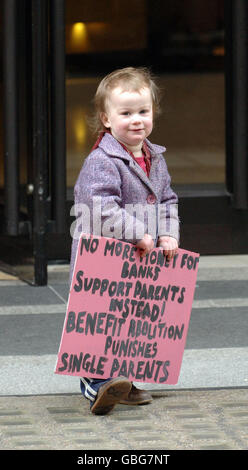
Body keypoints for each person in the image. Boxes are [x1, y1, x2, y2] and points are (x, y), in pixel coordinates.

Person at [69, 67, 179, 415]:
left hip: (139, 257)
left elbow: (167, 200)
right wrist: (138, 232)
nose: (136, 121)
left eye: (143, 112)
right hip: (104, 258)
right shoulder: (102, 160)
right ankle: (96, 382)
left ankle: (123, 383)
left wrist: (167, 233)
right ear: (106, 118)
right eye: (126, 113)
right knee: (99, 318)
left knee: (130, 320)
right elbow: (99, 207)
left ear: (153, 113)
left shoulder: (154, 158)